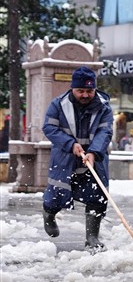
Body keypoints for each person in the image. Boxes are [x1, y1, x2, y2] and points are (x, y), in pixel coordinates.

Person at [41, 66, 113, 251]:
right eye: (80, 90)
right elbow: (49, 128)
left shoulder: (104, 106)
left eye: (89, 91)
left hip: (93, 159)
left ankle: (92, 237)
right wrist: (70, 144)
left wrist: (94, 152)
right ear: (73, 88)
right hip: (66, 157)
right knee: (57, 193)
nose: (85, 95)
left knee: (97, 195)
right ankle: (48, 214)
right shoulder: (58, 105)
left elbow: (105, 131)